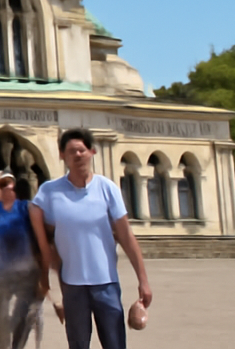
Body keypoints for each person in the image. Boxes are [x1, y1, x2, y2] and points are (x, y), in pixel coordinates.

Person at [31, 128, 153, 349]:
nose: (77, 155)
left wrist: (143, 280)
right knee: (78, 345)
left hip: (106, 283)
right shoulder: (49, 193)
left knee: (115, 343)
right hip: (73, 286)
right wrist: (47, 276)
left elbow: (126, 236)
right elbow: (44, 237)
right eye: (71, 151)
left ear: (92, 152)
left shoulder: (107, 189)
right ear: (62, 156)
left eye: (81, 150)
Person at [0, 171, 43, 348]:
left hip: (27, 276)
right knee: (0, 329)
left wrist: (43, 279)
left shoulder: (26, 209)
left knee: (23, 324)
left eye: (7, 184)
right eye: (0, 185)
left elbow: (39, 243)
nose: (4, 188)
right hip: (1, 278)